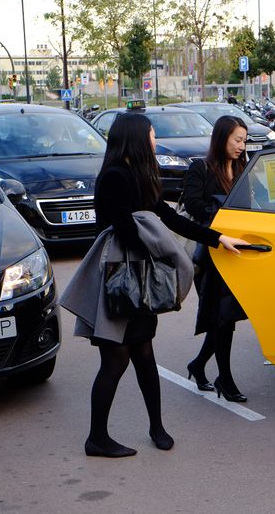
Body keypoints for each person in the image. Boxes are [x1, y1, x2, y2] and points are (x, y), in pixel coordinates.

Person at [81, 113, 247, 458]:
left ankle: (157, 427)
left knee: (143, 353)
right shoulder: (115, 177)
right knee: (115, 361)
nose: (155, 140)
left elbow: (171, 218)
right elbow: (126, 229)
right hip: (117, 281)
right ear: (138, 138)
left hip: (137, 280)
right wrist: (162, 252)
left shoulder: (140, 176)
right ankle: (96, 438)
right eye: (153, 134)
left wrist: (217, 239)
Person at [184, 116, 252, 403]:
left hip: (236, 253)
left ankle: (198, 366)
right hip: (210, 254)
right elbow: (192, 204)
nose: (241, 145)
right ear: (222, 138)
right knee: (222, 317)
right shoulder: (201, 167)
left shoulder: (243, 167)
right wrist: (220, 209)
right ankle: (224, 378)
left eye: (244, 140)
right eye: (237, 139)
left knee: (224, 318)